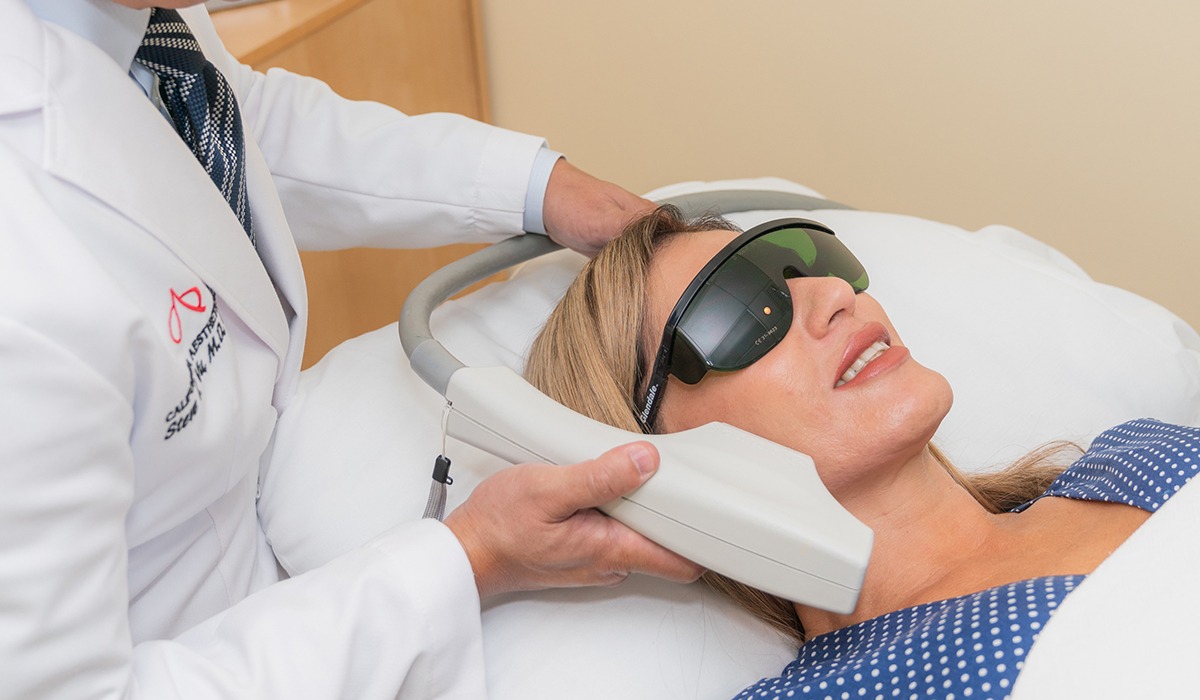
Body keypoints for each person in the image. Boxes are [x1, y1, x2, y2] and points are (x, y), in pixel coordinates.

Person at [0, 2, 702, 698]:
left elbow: (228, 113)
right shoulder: (23, 276)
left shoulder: (129, 21)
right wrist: (471, 559)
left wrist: (538, 186)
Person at [524, 205, 1200, 699]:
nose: (834, 295)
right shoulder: (847, 689)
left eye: (807, 263)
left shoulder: (1136, 453)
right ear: (655, 457)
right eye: (738, 312)